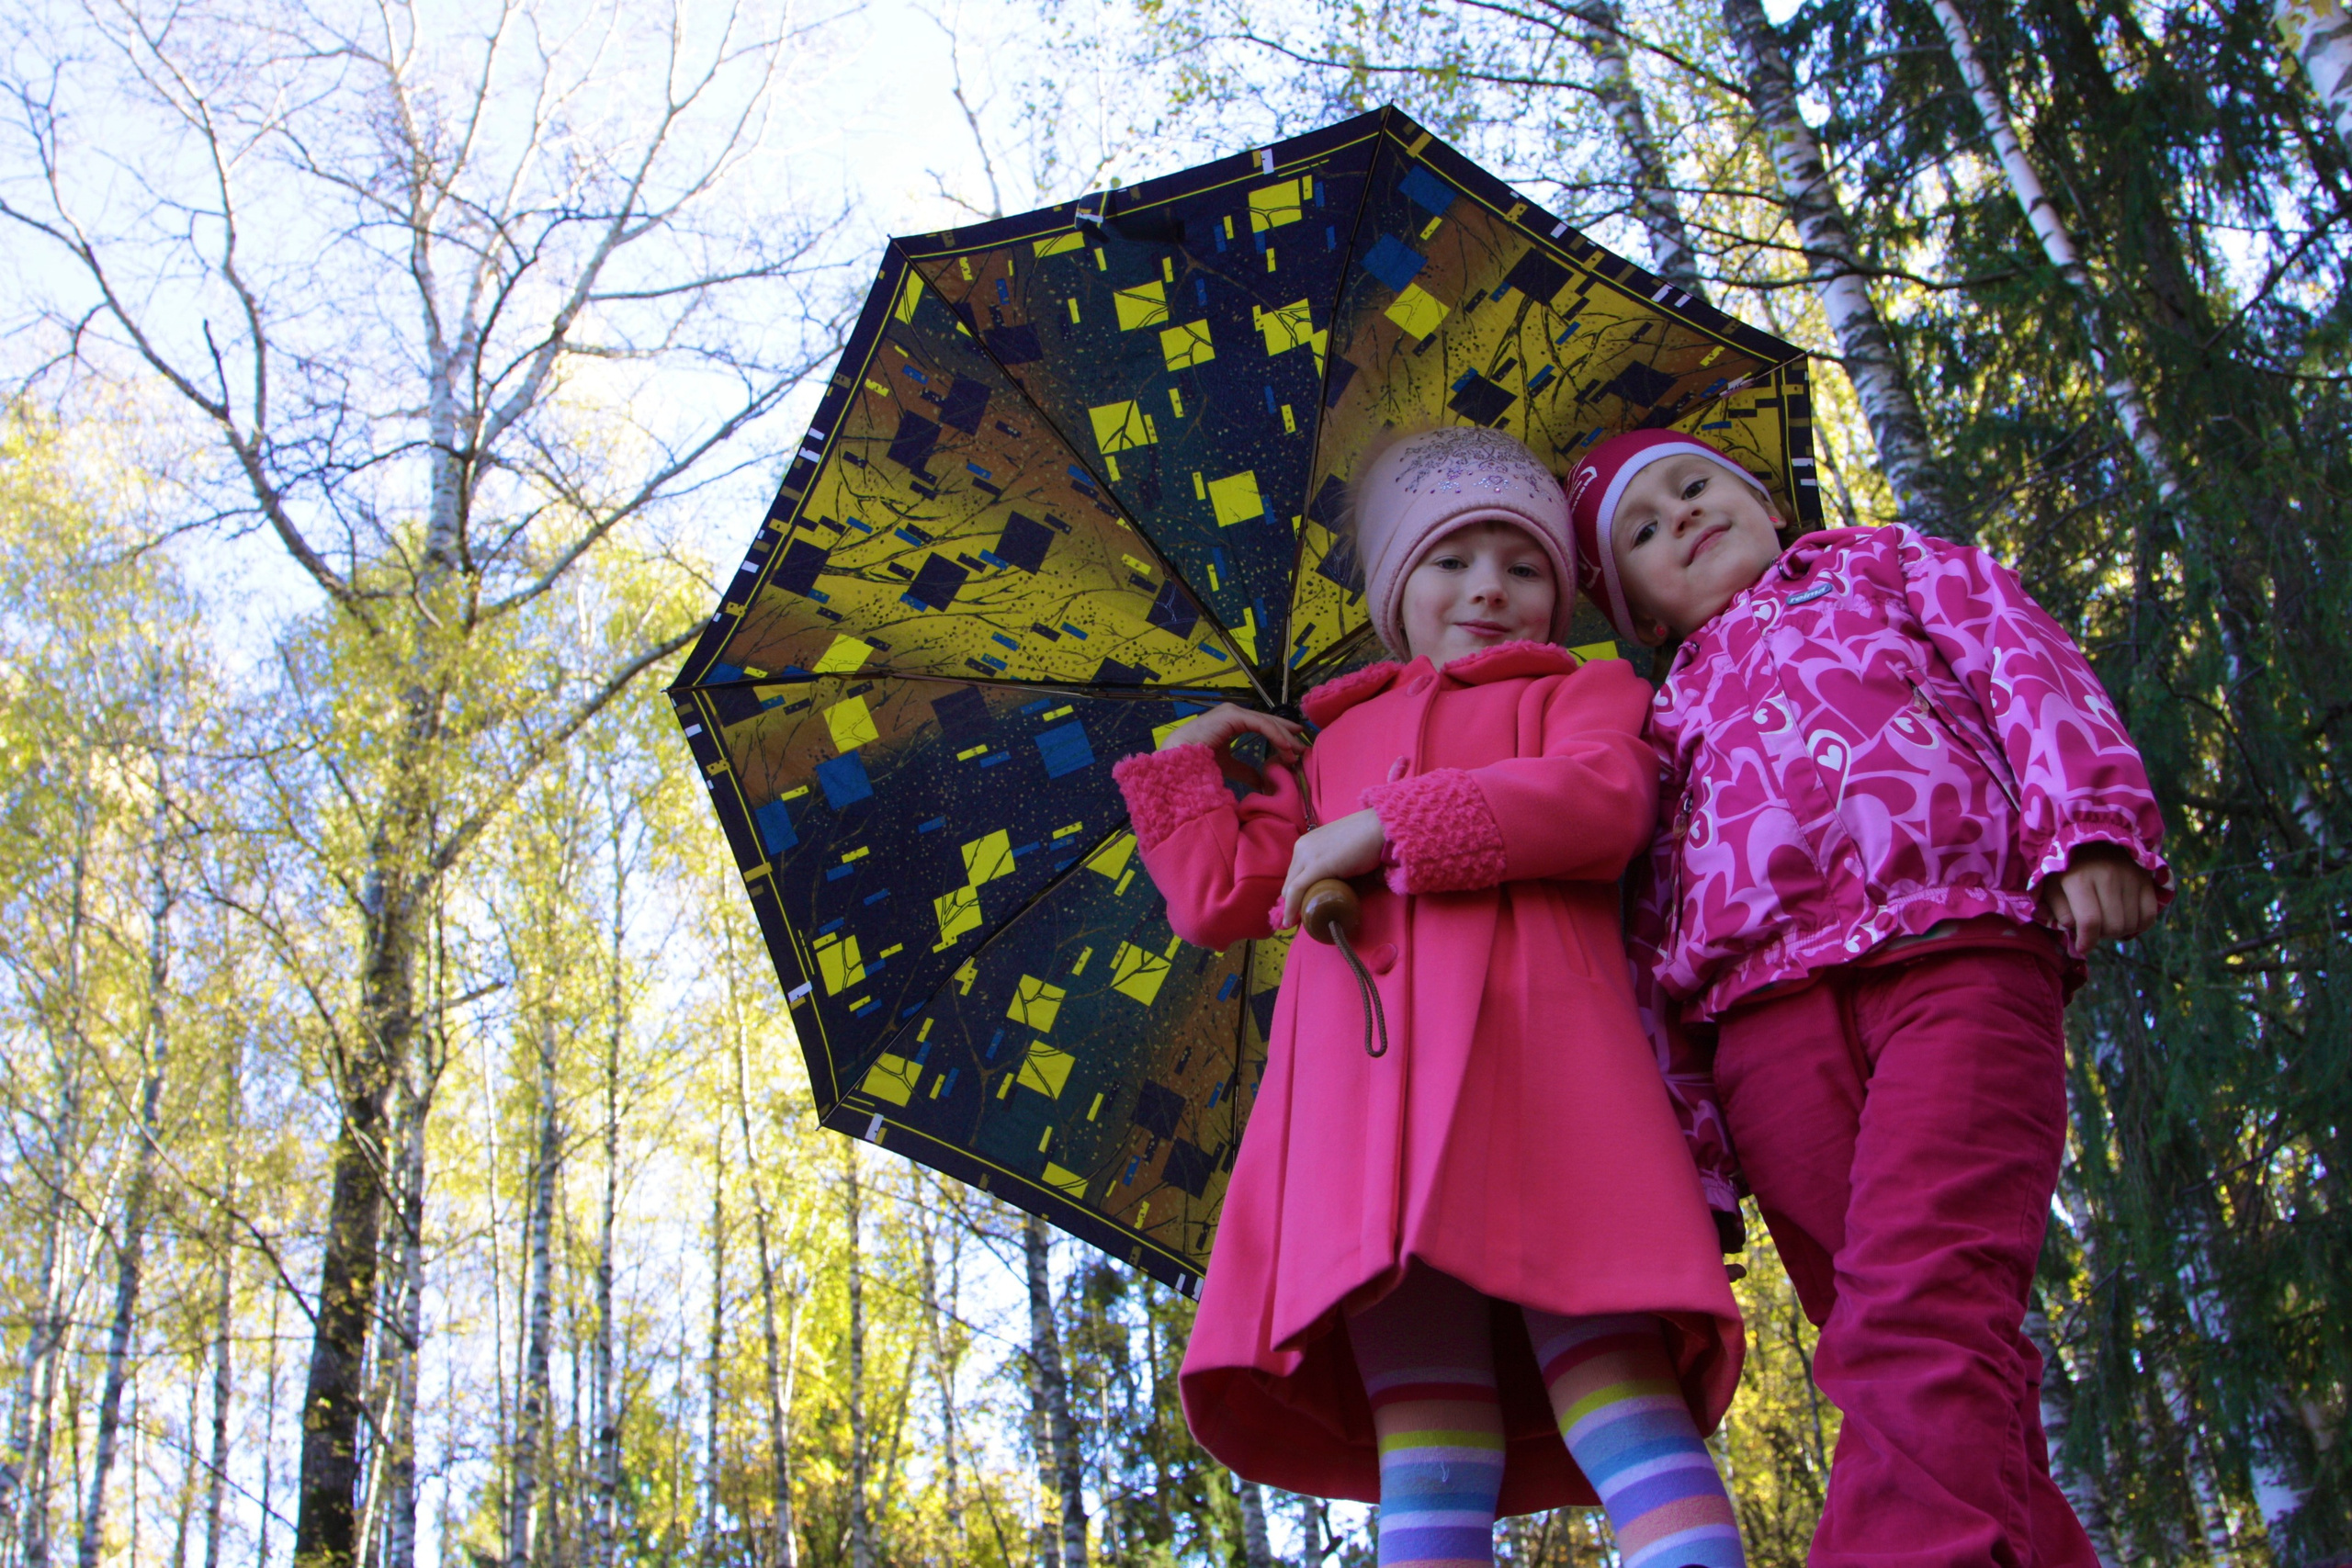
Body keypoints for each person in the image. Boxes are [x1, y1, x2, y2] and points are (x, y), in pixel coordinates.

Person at [1111, 426, 1748, 1568]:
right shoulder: (1329, 744)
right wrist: (1193, 764)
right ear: (1396, 588)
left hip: (1547, 1099)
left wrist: (1389, 827)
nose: (1489, 590)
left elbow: (1602, 802)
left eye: (1524, 564)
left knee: (1622, 1400)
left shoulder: (1582, 692)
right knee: (1430, 1444)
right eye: (1452, 561)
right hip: (1370, 1142)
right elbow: (1222, 899)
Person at [1569, 428, 2169, 1567]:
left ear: (1763, 499)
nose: (1682, 515)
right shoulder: (1655, 723)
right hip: (1762, 1039)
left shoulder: (1890, 567)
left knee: (1923, 1307)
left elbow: (2023, 667)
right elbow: (1645, 945)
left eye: (1695, 484)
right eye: (1641, 530)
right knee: (1909, 1355)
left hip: (1957, 954)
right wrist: (1689, 1160)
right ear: (1636, 614)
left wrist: (2089, 823)